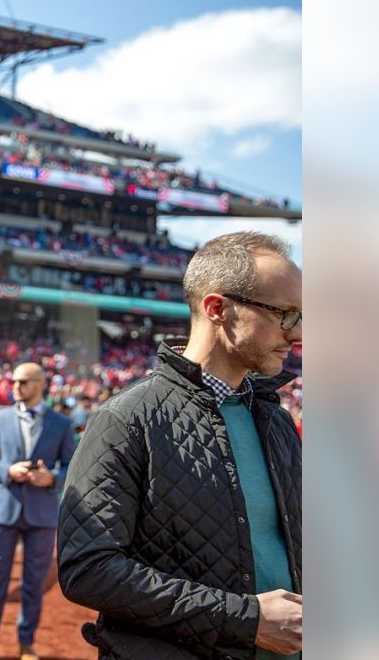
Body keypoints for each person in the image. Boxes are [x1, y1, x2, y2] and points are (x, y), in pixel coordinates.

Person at [58, 231, 303, 658]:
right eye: (285, 314)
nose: (297, 333)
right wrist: (245, 619)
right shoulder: (126, 418)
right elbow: (87, 569)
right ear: (217, 309)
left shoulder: (277, 421)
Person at [0, 362, 75, 660]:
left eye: (23, 381)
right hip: (2, 511)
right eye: (14, 381)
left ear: (40, 384)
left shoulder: (61, 424)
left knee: (33, 584)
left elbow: (72, 466)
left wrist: (51, 478)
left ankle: (26, 644)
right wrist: (7, 470)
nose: (16, 386)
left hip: (41, 513)